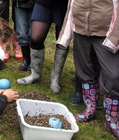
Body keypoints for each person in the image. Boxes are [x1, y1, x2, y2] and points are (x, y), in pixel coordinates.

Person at [57, 0, 119, 138]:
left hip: (107, 31)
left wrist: (116, 36)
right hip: (80, 28)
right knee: (84, 70)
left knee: (113, 76)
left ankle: (112, 120)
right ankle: (90, 109)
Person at [16, 0, 69, 94]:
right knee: (36, 38)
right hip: (43, 2)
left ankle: (55, 78)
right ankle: (35, 74)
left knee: (62, 40)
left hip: (64, 4)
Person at [11, 0, 35, 71]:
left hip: (36, 3)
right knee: (22, 34)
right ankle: (26, 60)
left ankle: (33, 61)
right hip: (19, 2)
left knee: (33, 34)